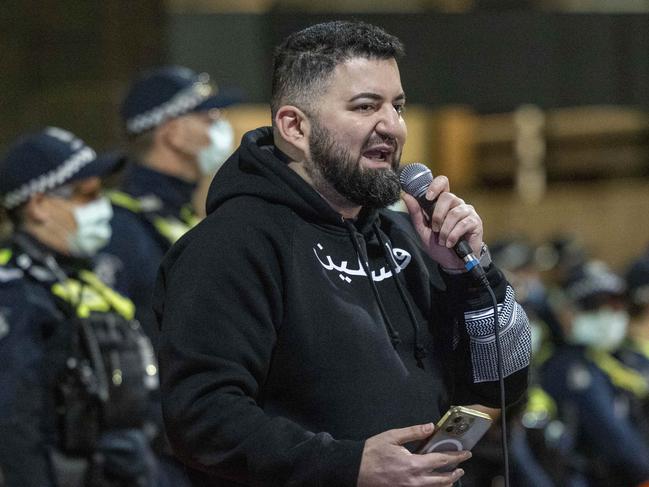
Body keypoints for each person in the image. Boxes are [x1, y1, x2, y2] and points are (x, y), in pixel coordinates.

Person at [154, 21, 531, 486]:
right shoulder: (231, 245)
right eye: (365, 106)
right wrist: (347, 466)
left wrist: (472, 277)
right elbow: (201, 418)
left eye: (398, 106)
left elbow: (502, 384)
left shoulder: (406, 236)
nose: (392, 127)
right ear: (294, 126)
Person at [0, 127, 158, 486]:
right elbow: (16, 429)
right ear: (39, 205)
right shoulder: (16, 295)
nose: (102, 206)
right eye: (85, 195)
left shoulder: (80, 278)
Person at [93, 65, 238, 347]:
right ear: (172, 133)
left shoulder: (180, 215)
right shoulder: (120, 230)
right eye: (209, 118)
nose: (221, 127)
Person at [540, 260, 649, 486]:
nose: (606, 315)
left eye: (615, 305)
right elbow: (616, 438)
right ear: (567, 312)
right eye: (593, 306)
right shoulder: (565, 366)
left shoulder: (619, 358)